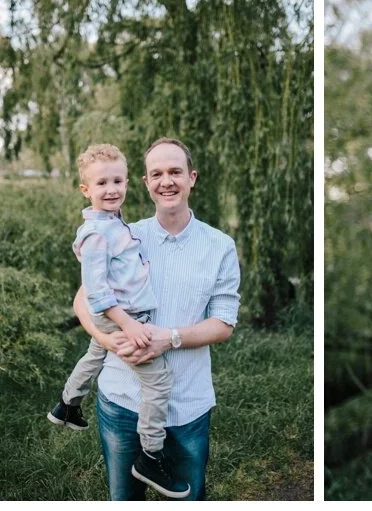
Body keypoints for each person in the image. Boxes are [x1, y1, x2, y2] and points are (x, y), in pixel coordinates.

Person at [73, 138, 240, 501]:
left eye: (175, 172)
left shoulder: (220, 245)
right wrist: (105, 340)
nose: (167, 181)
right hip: (121, 399)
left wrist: (171, 338)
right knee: (125, 500)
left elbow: (224, 323)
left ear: (191, 178)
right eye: (157, 174)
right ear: (146, 183)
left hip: (187, 403)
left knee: (188, 501)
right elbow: (83, 300)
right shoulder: (123, 235)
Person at [50, 143, 186, 498]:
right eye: (101, 184)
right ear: (85, 189)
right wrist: (128, 325)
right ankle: (150, 456)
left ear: (128, 182)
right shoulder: (97, 233)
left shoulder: (111, 222)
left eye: (117, 181)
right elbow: (95, 294)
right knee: (159, 382)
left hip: (116, 317)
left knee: (95, 354)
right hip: (122, 317)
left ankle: (66, 404)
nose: (111, 189)